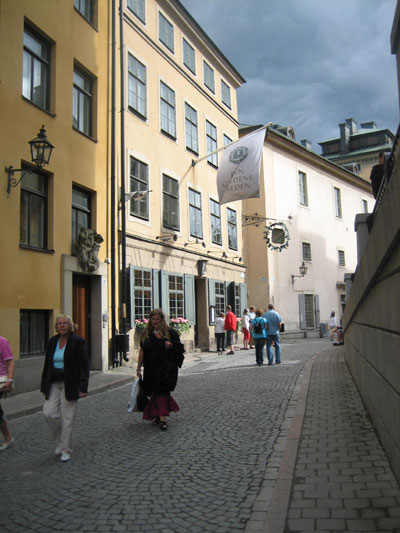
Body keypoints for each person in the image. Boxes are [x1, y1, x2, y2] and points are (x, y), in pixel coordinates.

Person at [40, 314, 89, 462]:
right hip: (54, 382)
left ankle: (66, 449)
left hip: (71, 383)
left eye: (65, 323)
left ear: (70, 326)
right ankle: (61, 441)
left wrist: (83, 387)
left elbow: (84, 365)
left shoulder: (77, 341)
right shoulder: (52, 341)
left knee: (67, 418)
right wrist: (44, 385)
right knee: (49, 413)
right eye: (59, 323)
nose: (62, 325)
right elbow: (47, 364)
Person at [136, 309, 185, 431]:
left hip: (165, 369)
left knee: (161, 392)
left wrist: (171, 345)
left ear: (162, 320)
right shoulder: (147, 333)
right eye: (153, 319)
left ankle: (162, 419)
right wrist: (138, 367)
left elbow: (179, 348)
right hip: (150, 368)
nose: (155, 322)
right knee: (154, 392)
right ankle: (159, 415)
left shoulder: (170, 333)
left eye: (157, 319)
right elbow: (142, 351)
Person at [0, 336, 15, 451]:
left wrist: (10, 380)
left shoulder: (2, 341)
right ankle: (8, 438)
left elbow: (9, 362)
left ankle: (8, 438)